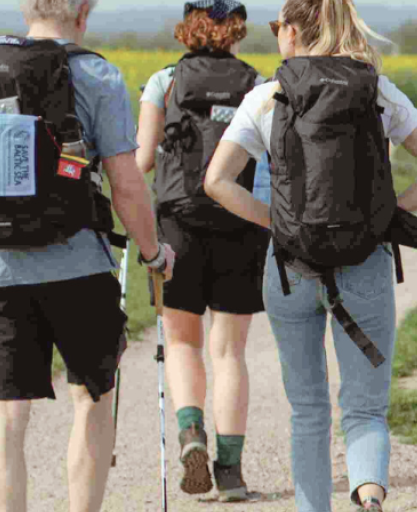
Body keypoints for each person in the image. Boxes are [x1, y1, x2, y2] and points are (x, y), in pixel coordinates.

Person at [196, 0, 417, 510]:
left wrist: (279, 223)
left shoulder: (266, 96)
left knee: (308, 411)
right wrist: (383, 217)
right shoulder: (375, 90)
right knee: (365, 410)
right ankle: (367, 493)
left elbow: (216, 182)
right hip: (365, 263)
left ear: (292, 33)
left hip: (289, 268)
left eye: (278, 28)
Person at [0, 0, 172, 510]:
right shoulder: (97, 73)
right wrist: (152, 252)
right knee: (93, 400)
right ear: (83, 11)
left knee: (6, 415)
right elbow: (125, 183)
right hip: (81, 267)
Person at [132, 0, 265, 501]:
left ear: (188, 24)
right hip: (240, 221)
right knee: (229, 350)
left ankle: (192, 435)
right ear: (236, 28)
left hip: (178, 225)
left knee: (183, 342)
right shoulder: (258, 84)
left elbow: (143, 160)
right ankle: (230, 471)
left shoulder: (164, 81)